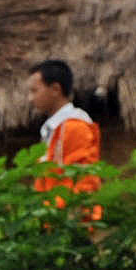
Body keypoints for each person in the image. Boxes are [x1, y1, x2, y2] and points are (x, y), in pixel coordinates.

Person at [29, 58, 105, 216]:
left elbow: (84, 178)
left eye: (35, 90)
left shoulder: (75, 127)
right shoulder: (54, 128)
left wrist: (74, 218)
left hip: (70, 221)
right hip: (53, 219)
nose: (30, 98)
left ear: (55, 89)